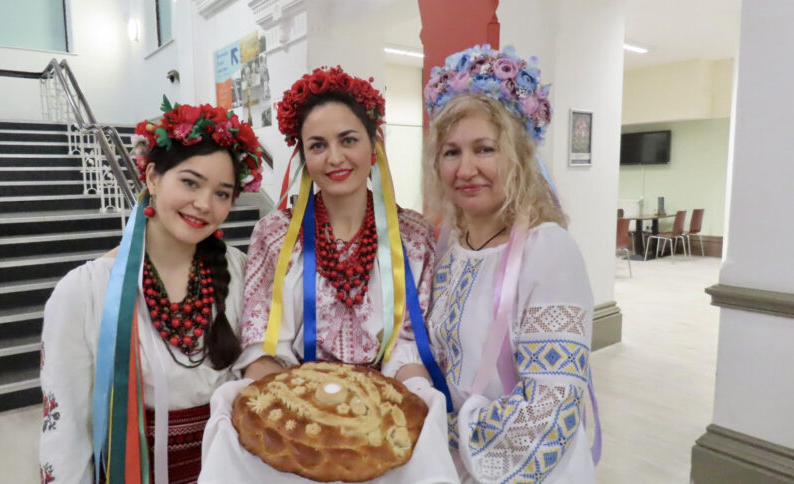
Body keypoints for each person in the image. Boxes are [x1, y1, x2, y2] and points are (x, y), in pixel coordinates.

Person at [198, 67, 459, 483]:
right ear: (303, 155)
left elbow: (409, 343)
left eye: (348, 140)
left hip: (380, 416)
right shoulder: (275, 234)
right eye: (317, 145)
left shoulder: (412, 235)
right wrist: (287, 419)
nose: (334, 158)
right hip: (299, 415)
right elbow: (262, 340)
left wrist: (413, 405)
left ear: (374, 146)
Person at [38, 98, 264, 484]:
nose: (204, 204)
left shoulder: (239, 269)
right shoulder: (86, 291)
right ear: (153, 177)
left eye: (222, 193)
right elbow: (67, 430)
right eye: (190, 182)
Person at [423, 45, 598, 483]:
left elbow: (552, 408)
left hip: (522, 468)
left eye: (484, 149)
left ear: (519, 157)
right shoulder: (448, 240)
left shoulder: (548, 249)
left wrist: (451, 435)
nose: (466, 169)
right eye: (451, 152)